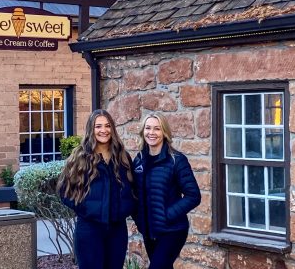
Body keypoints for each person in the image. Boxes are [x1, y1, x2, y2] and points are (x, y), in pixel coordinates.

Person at [57, 109, 135, 269]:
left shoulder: (123, 157)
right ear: (91, 129)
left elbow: (133, 189)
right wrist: (86, 209)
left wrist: (125, 208)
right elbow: (63, 191)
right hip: (89, 230)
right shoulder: (80, 157)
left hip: (117, 230)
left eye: (107, 126)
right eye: (98, 126)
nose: (103, 130)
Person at [132, 112, 201, 269]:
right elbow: (135, 193)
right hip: (149, 231)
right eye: (148, 128)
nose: (152, 133)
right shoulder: (139, 160)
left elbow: (193, 195)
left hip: (172, 230)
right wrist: (139, 218)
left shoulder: (177, 160)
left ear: (164, 132)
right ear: (143, 131)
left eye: (157, 129)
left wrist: (167, 215)